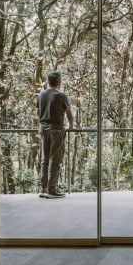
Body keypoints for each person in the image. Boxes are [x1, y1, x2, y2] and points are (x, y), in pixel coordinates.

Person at [37, 71, 74, 199]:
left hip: (43, 129)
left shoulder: (41, 94)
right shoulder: (62, 96)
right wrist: (71, 126)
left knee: (44, 159)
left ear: (48, 81)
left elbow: (39, 111)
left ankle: (43, 188)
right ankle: (51, 190)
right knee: (55, 159)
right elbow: (69, 113)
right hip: (56, 130)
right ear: (59, 82)